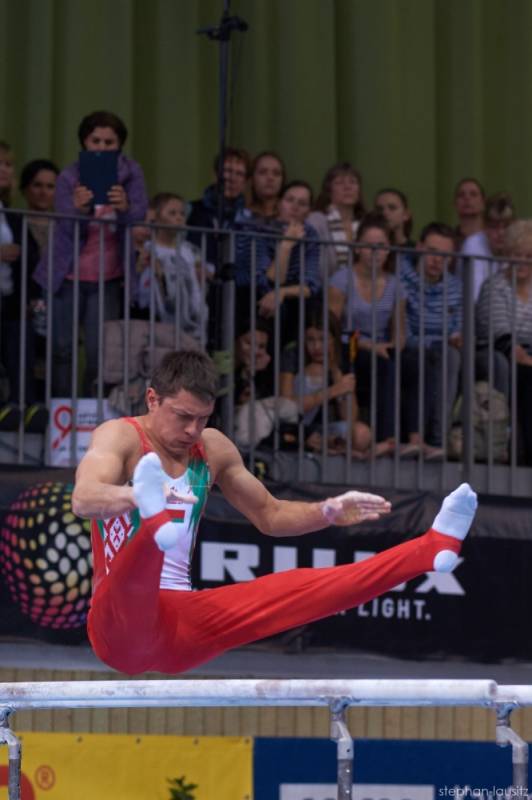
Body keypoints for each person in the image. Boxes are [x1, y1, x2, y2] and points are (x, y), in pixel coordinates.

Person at [72, 349, 478, 675]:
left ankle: (431, 546)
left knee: (304, 590)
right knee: (136, 576)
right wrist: (134, 498)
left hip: (181, 627)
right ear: (152, 399)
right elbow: (84, 498)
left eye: (202, 418)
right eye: (183, 417)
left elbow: (271, 514)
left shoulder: (212, 448)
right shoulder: (121, 436)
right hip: (118, 628)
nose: (193, 430)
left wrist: (326, 511)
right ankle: (153, 519)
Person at [33, 110, 148, 397]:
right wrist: (79, 209)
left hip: (107, 277)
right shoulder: (69, 175)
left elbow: (139, 214)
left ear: (119, 145)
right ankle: (61, 408)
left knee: (100, 352)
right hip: (66, 275)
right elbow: (64, 222)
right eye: (96, 141)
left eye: (109, 142)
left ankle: (91, 410)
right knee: (61, 348)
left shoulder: (131, 172)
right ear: (84, 142)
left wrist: (125, 208)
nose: (102, 147)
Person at [329, 213, 405, 453]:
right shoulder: (342, 279)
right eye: (369, 245)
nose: (375, 252)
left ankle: (414, 437)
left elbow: (400, 331)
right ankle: (385, 438)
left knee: (414, 364)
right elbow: (332, 328)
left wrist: (394, 348)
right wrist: (370, 346)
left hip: (381, 348)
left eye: (381, 246)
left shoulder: (395, 284)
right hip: (348, 346)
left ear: (389, 249)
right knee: (382, 366)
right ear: (357, 248)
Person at [400, 222, 462, 459]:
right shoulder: (401, 278)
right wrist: (437, 341)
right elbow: (404, 334)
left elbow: (458, 327)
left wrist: (456, 338)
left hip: (443, 349)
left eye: (445, 255)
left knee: (453, 355)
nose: (438, 260)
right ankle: (435, 439)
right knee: (442, 355)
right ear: (419, 248)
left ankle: (439, 441)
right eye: (432, 251)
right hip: (411, 349)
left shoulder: (456, 287)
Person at [476, 219, 532, 463]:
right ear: (508, 254)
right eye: (517, 255)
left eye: (529, 256)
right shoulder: (495, 286)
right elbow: (500, 334)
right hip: (504, 352)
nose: (522, 261)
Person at [280, 307, 371, 456]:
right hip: (292, 426)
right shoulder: (293, 352)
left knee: (361, 434)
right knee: (316, 369)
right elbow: (285, 407)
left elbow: (350, 418)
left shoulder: (342, 356)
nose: (316, 347)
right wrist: (333, 391)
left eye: (323, 339)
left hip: (322, 428)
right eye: (310, 340)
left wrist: (335, 371)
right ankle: (321, 444)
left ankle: (326, 445)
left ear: (334, 339)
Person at [137, 192, 208, 342]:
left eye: (182, 213)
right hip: (160, 322)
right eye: (172, 213)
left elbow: (196, 286)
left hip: (191, 321)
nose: (179, 218)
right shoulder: (149, 249)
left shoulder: (189, 250)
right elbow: (142, 288)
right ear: (156, 217)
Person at [307, 162, 366, 279]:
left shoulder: (366, 223)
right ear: (329, 191)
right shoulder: (317, 220)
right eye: (339, 183)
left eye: (353, 182)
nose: (347, 187)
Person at [459, 192, 515, 301]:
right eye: (494, 227)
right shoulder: (472, 244)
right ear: (484, 227)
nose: (501, 233)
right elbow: (475, 296)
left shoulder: (517, 247)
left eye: (506, 226)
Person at [247, 151, 285, 222]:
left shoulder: (292, 216)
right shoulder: (241, 215)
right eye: (263, 172)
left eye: (276, 173)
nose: (270, 178)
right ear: (252, 179)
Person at [453, 177, 486, 248]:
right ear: (455, 204)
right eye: (461, 195)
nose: (467, 198)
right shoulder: (450, 241)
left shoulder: (491, 240)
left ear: (483, 203)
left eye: (473, 194)